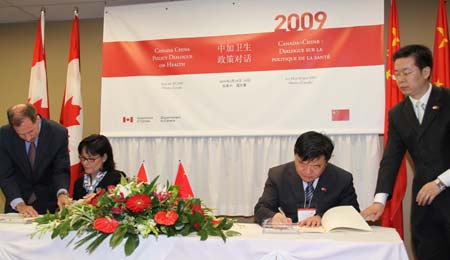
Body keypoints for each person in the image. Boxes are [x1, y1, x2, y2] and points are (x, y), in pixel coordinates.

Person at [361, 44, 450, 260]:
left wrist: (441, 182)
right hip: (425, 203)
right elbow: (391, 159)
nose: (400, 79)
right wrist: (379, 201)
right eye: (396, 74)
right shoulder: (398, 114)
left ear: (426, 72)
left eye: (407, 73)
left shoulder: (447, 100)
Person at [254, 131, 359, 226]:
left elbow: (352, 213)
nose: (307, 171)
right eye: (302, 164)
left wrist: (323, 218)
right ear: (295, 156)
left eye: (316, 166)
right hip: (291, 238)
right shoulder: (278, 175)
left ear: (327, 162)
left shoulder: (342, 179)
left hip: (327, 240)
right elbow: (261, 208)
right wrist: (273, 217)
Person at [0, 104, 70, 217]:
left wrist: (62, 193)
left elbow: (60, 169)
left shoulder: (57, 133)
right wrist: (19, 204)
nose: (28, 138)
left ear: (37, 119)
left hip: (50, 204)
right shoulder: (4, 135)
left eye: (31, 131)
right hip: (18, 204)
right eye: (21, 134)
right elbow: (5, 174)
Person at [73, 134, 126, 200]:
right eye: (83, 158)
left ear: (104, 157)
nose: (85, 163)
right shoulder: (79, 183)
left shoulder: (117, 178)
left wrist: (97, 198)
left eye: (91, 159)